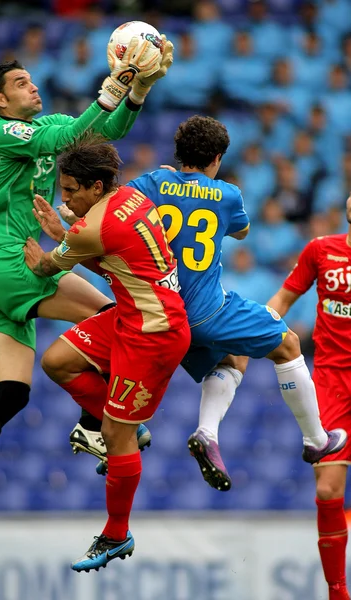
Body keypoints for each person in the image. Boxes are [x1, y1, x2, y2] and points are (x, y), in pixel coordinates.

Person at [0, 38, 174, 540]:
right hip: (16, 262)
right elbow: (53, 142)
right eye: (20, 83)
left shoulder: (47, 128)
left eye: (31, 79)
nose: (32, 85)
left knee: (13, 392)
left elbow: (100, 136)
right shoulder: (3, 135)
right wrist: (109, 89)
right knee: (110, 313)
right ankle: (90, 423)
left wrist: (136, 92)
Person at [124, 115, 346, 491]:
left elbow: (121, 206)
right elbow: (241, 230)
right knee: (289, 345)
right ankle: (316, 440)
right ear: (218, 157)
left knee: (232, 357)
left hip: (164, 315)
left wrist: (165, 186)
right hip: (209, 310)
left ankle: (207, 434)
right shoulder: (227, 194)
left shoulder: (152, 183)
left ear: (179, 155)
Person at [23, 135, 191, 572]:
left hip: (153, 334)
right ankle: (126, 430)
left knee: (115, 437)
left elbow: (47, 266)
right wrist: (65, 234)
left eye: (71, 191)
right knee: (57, 361)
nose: (66, 198)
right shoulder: (131, 197)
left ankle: (117, 533)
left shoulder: (92, 227)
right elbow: (111, 258)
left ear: (96, 187)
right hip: (131, 315)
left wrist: (45, 249)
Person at [267, 196, 351, 600]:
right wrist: (255, 327)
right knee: (327, 491)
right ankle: (338, 591)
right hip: (334, 381)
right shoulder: (321, 250)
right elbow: (282, 300)